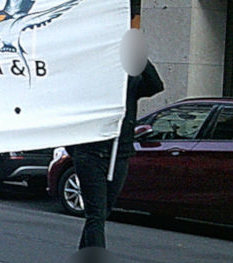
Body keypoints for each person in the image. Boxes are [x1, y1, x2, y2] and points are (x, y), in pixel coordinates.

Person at [66, 58, 165, 250]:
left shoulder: (128, 82)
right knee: (96, 214)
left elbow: (155, 86)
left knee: (102, 213)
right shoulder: (89, 83)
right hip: (90, 153)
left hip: (119, 153)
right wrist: (76, 150)